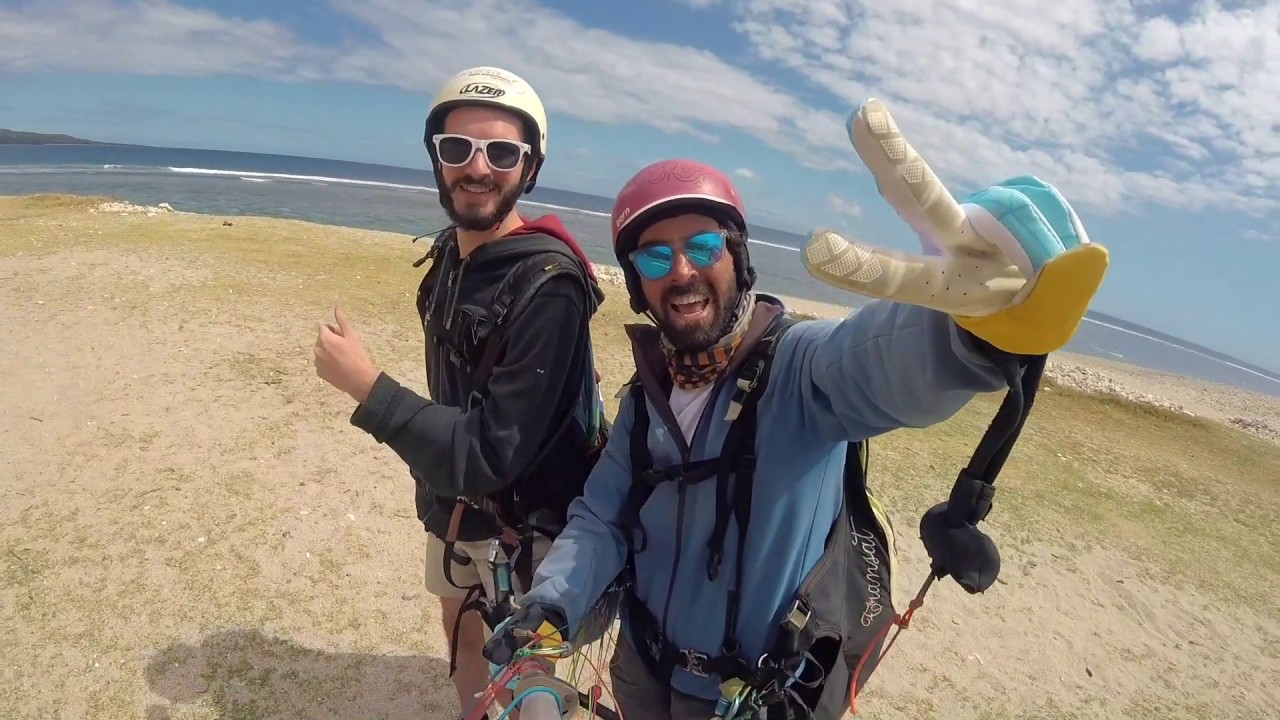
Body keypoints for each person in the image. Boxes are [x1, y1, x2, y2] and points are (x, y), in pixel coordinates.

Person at [482, 98, 1109, 719]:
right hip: (644, 674)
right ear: (639, 283)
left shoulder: (799, 372)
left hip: (755, 698)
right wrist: (551, 609)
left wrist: (969, 331)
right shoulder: (645, 401)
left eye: (702, 247)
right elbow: (601, 517)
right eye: (654, 256)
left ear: (737, 255)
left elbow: (885, 363)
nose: (681, 272)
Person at [313, 65, 610, 716]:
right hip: (450, 507)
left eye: (502, 152)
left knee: (528, 688)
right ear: (436, 159)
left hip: (533, 533)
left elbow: (492, 451)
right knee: (461, 645)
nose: (477, 167)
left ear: (529, 170)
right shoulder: (454, 251)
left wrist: (366, 387)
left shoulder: (549, 287)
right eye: (458, 149)